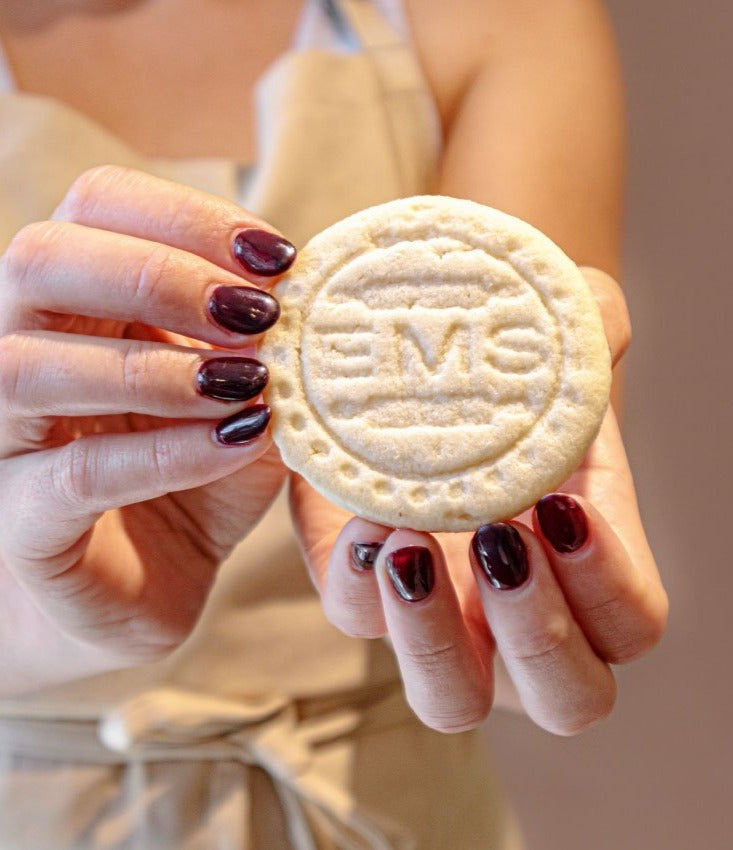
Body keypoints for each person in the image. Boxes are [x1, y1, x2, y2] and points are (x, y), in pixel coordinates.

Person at [0, 0, 668, 847]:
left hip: (381, 813)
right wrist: (26, 615)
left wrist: (507, 606)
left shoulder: (495, 17)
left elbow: (527, 491)